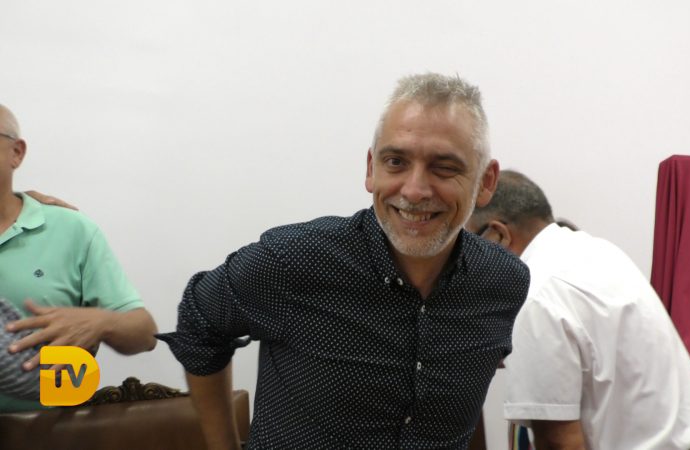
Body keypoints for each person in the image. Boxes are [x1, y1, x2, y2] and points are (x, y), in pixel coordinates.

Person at [157, 73, 530, 449]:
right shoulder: (294, 261)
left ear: (486, 182)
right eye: (396, 161)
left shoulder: (504, 282)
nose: (415, 190)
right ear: (371, 169)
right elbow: (199, 320)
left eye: (444, 167)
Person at [468, 170, 690, 450]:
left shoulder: (536, 299)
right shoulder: (597, 251)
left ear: (498, 236)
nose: (467, 264)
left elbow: (560, 444)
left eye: (467, 247)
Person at [0, 103, 158, 412]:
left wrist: (103, 321)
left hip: (48, 431)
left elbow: (145, 333)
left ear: (16, 152)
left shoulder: (71, 230)